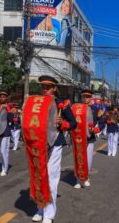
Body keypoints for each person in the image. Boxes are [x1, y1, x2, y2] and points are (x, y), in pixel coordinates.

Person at [31, 75, 77, 223]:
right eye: (43, 86)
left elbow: (73, 123)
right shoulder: (36, 102)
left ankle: (49, 214)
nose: (45, 89)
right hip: (39, 144)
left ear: (54, 88)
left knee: (51, 177)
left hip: (55, 142)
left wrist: (62, 124)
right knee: (39, 177)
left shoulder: (62, 103)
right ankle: (40, 208)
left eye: (48, 87)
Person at [73, 89, 102, 189]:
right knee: (78, 159)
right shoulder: (77, 107)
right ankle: (77, 180)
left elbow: (102, 121)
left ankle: (85, 178)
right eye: (84, 96)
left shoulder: (96, 109)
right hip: (78, 137)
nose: (86, 98)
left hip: (90, 137)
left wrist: (97, 128)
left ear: (91, 97)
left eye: (88, 96)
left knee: (88, 160)